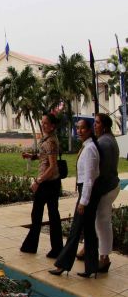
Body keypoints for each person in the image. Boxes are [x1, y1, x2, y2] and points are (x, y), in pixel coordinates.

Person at [50, 118, 101, 278]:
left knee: (75, 230)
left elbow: (90, 179)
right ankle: (91, 267)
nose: (79, 131)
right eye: (77, 128)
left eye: (82, 128)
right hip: (86, 192)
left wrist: (84, 201)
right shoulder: (87, 147)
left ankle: (62, 265)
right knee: (89, 231)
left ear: (90, 130)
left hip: (88, 194)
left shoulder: (90, 149)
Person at [19, 114, 63, 258]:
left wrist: (38, 181)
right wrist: (32, 156)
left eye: (45, 123)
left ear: (52, 126)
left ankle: (33, 246)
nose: (43, 125)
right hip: (51, 182)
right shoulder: (48, 139)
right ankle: (55, 248)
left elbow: (52, 166)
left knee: (40, 214)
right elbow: (44, 156)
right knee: (51, 214)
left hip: (48, 183)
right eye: (42, 122)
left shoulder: (51, 141)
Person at [92, 113, 120, 273]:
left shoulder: (104, 142)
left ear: (105, 126)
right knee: (99, 221)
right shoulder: (108, 139)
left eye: (97, 123)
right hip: (109, 186)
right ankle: (93, 249)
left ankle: (104, 257)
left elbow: (100, 170)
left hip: (106, 188)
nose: (94, 125)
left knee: (102, 222)